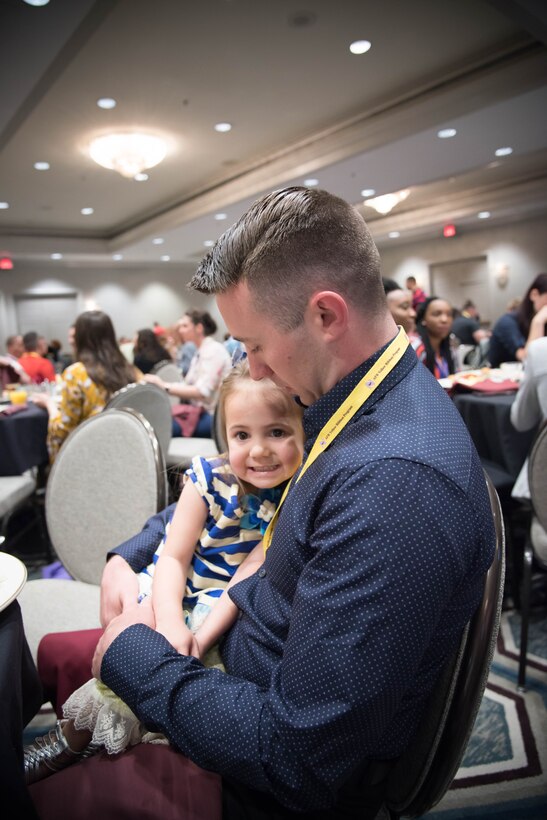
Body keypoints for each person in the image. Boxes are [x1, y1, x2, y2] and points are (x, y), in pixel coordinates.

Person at [29, 187, 495, 820]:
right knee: (55, 652)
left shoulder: (394, 483)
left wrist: (134, 655)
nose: (251, 368)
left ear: (326, 317)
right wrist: (128, 555)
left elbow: (294, 759)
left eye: (252, 344)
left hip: (254, 775)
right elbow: (229, 490)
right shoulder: (346, 402)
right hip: (229, 651)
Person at [25, 361, 304, 782]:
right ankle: (67, 741)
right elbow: (173, 557)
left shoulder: (296, 497)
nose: (259, 450)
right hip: (171, 586)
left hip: (222, 602)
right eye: (242, 435)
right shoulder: (208, 479)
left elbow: (243, 578)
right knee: (136, 655)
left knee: (195, 666)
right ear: (224, 434)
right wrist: (172, 619)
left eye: (277, 432)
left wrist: (199, 636)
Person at [32, 310, 141, 462]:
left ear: (79, 338)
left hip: (88, 458)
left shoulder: (76, 374)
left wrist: (49, 404)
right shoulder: (132, 371)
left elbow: (62, 431)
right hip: (127, 453)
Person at [145, 309, 231, 438]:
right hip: (200, 412)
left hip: (211, 416)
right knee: (156, 423)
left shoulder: (213, 351)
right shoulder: (201, 351)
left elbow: (202, 392)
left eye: (185, 326)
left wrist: (164, 386)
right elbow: (188, 385)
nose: (180, 330)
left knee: (157, 429)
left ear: (199, 328)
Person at [488, 273, 547, 367]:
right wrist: (538, 322)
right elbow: (527, 358)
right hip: (501, 378)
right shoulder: (507, 322)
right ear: (534, 294)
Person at [414, 296, 456, 378]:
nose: (444, 319)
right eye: (437, 314)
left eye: (449, 314)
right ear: (423, 319)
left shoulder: (451, 347)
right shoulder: (416, 349)